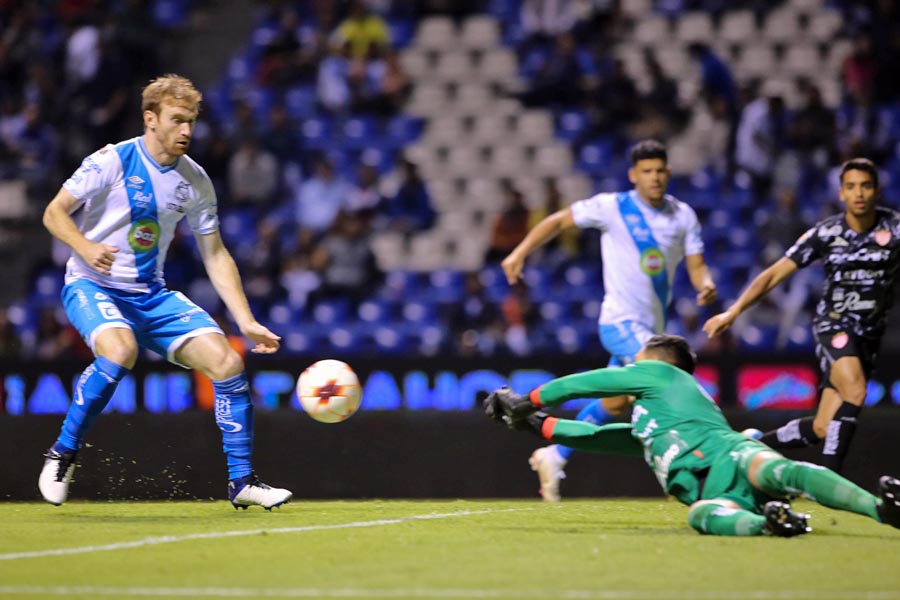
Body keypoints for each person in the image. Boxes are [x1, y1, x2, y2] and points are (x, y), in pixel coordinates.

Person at [38, 74, 292, 510]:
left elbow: (214, 253)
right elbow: (54, 212)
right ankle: (62, 453)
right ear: (150, 119)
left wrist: (246, 320)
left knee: (228, 362)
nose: (187, 131)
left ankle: (242, 482)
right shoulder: (111, 161)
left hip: (151, 294)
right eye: (177, 121)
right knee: (120, 351)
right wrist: (84, 246)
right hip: (91, 283)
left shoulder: (195, 180)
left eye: (191, 121)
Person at [483, 334, 900, 537]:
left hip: (728, 454)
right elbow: (594, 436)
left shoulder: (663, 373)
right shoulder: (655, 422)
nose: (630, 368)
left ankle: (880, 508)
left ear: (660, 363)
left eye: (636, 361)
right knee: (701, 514)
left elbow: (585, 383)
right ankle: (770, 524)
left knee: (778, 469)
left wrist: (530, 399)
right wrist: (532, 424)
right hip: (715, 488)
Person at [501, 139, 717, 502]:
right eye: (647, 171)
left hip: (653, 331)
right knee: (660, 385)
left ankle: (554, 455)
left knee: (616, 403)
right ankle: (688, 471)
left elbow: (697, 266)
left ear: (668, 172)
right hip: (619, 322)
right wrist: (519, 253)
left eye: (660, 170)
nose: (655, 178)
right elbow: (558, 220)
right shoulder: (612, 206)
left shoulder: (683, 216)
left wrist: (705, 284)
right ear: (634, 175)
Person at [703, 158, 900, 475]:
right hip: (834, 326)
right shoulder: (826, 233)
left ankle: (748, 447)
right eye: (851, 187)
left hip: (869, 336)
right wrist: (734, 310)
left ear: (877, 191)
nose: (858, 193)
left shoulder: (894, 229)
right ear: (841, 193)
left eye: (865, 185)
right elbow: (773, 274)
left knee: (823, 426)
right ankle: (831, 481)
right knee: (856, 391)